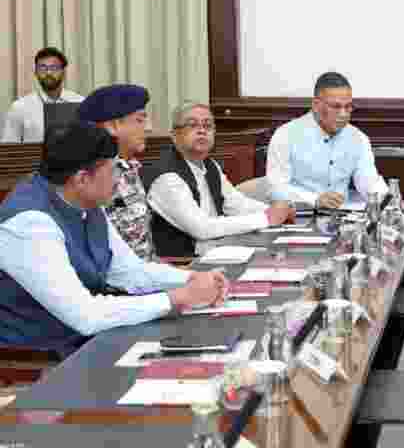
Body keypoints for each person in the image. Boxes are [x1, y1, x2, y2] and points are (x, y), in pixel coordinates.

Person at [0, 123, 227, 357]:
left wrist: (191, 279)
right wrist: (177, 298)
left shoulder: (84, 200)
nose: (119, 179)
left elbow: (129, 272)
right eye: (113, 170)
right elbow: (85, 315)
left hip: (90, 339)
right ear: (82, 179)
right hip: (40, 358)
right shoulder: (29, 224)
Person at [144, 102, 295, 257]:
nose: (202, 130)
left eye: (208, 126)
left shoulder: (210, 165)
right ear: (174, 135)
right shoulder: (166, 177)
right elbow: (202, 228)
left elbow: (236, 204)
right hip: (183, 260)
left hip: (214, 247)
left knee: (281, 250)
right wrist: (266, 218)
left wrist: (277, 211)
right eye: (192, 125)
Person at [267, 72, 388, 209]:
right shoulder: (286, 135)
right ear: (316, 105)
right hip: (300, 216)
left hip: (343, 218)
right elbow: (275, 189)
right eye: (336, 107)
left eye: (348, 107)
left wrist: (387, 200)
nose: (343, 114)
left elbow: (368, 182)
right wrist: (315, 200)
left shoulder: (358, 138)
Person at [79, 84, 155, 260]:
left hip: (148, 276)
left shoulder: (131, 168)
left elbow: (143, 244)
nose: (149, 127)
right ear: (113, 126)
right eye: (140, 120)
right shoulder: (93, 175)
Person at [1, 47, 84, 144]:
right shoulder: (19, 107)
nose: (48, 73)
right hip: (33, 159)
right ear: (35, 72)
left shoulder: (81, 103)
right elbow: (9, 148)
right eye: (43, 68)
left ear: (64, 72)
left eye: (54, 68)